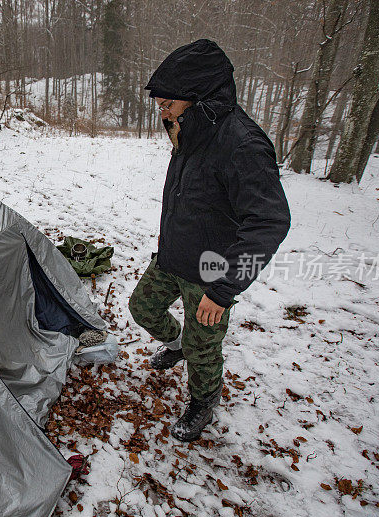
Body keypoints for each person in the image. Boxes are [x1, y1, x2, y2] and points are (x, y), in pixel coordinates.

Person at [129, 39, 291, 441]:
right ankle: (177, 342)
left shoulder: (243, 145)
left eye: (168, 104)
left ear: (198, 98)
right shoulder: (190, 130)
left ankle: (203, 402)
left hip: (212, 271)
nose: (162, 112)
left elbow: (270, 222)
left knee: (204, 352)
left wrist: (223, 291)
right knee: (142, 308)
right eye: (161, 104)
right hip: (173, 257)